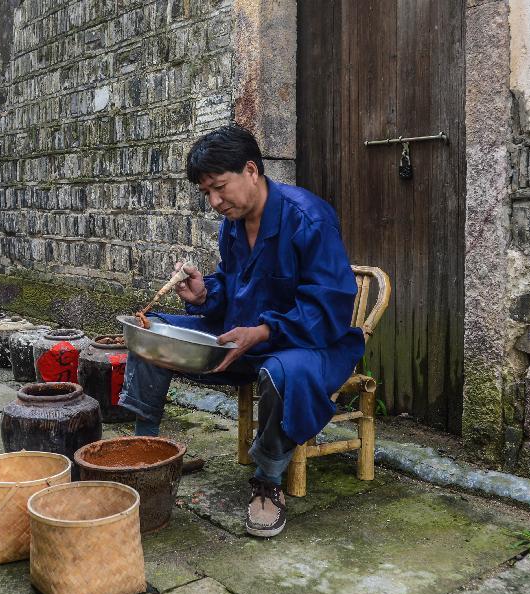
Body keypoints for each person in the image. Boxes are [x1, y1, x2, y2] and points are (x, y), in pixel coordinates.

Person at [119, 125, 363, 538]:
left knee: (286, 372)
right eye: (206, 194)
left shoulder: (309, 217)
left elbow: (329, 306)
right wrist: (203, 295)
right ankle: (149, 453)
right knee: (151, 331)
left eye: (219, 188)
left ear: (251, 170)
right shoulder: (232, 224)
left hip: (308, 344)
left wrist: (265, 331)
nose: (215, 202)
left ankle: (268, 480)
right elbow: (233, 290)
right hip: (245, 340)